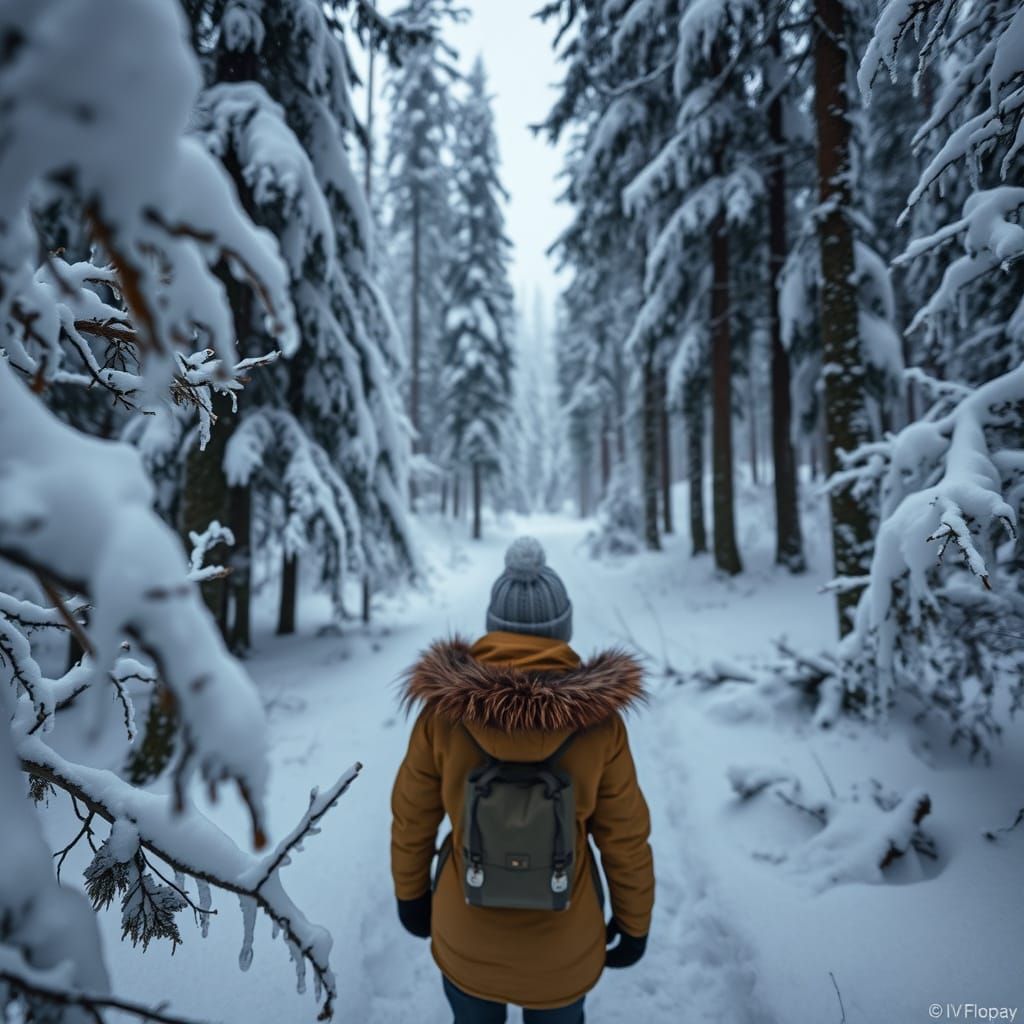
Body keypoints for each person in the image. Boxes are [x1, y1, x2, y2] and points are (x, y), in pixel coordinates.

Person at [391, 536, 654, 1023]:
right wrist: (634, 922)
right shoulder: (600, 725)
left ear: (493, 628)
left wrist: (411, 897)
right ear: (563, 629)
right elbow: (625, 838)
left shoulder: (441, 715)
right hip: (564, 947)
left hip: (464, 931)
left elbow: (413, 817)